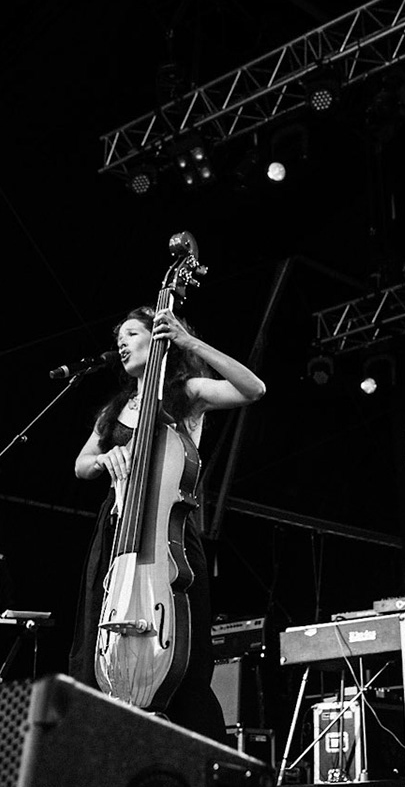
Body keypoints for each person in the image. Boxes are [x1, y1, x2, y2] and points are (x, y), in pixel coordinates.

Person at [70, 305, 265, 740]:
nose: (122, 342)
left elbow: (252, 389)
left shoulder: (186, 392)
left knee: (185, 657)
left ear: (157, 337)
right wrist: (105, 459)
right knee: (97, 642)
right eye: (119, 336)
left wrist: (188, 340)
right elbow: (80, 466)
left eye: (133, 333)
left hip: (170, 535)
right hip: (118, 534)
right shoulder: (116, 408)